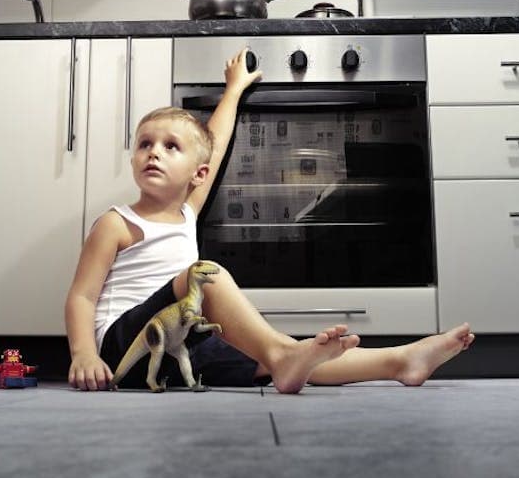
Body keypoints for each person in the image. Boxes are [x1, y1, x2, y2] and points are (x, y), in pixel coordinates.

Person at [64, 48, 474, 393]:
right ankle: (284, 356)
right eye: (144, 145)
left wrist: (233, 91)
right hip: (121, 347)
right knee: (202, 275)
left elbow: (216, 146)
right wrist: (83, 353)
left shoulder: (187, 212)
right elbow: (82, 297)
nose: (153, 152)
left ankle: (399, 361)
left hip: (174, 348)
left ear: (197, 173)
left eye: (171, 147)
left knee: (277, 355)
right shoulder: (117, 224)